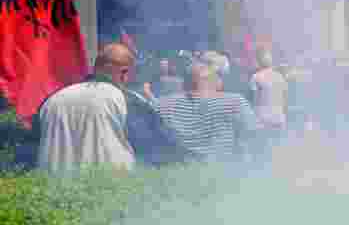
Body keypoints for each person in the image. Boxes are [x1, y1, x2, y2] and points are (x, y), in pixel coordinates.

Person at [36, 43, 179, 173]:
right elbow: (156, 147)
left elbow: (32, 147)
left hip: (53, 193)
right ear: (124, 73)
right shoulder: (127, 100)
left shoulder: (52, 100)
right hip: (110, 192)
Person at [157, 52, 262, 163]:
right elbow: (254, 135)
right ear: (217, 82)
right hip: (223, 167)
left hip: (178, 166)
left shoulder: (164, 105)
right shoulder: (234, 102)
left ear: (184, 83)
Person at [249, 48, 288, 163]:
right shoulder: (280, 77)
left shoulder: (255, 77)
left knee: (261, 151)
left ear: (258, 61)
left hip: (262, 118)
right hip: (278, 118)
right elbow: (284, 98)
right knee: (277, 151)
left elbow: (253, 99)